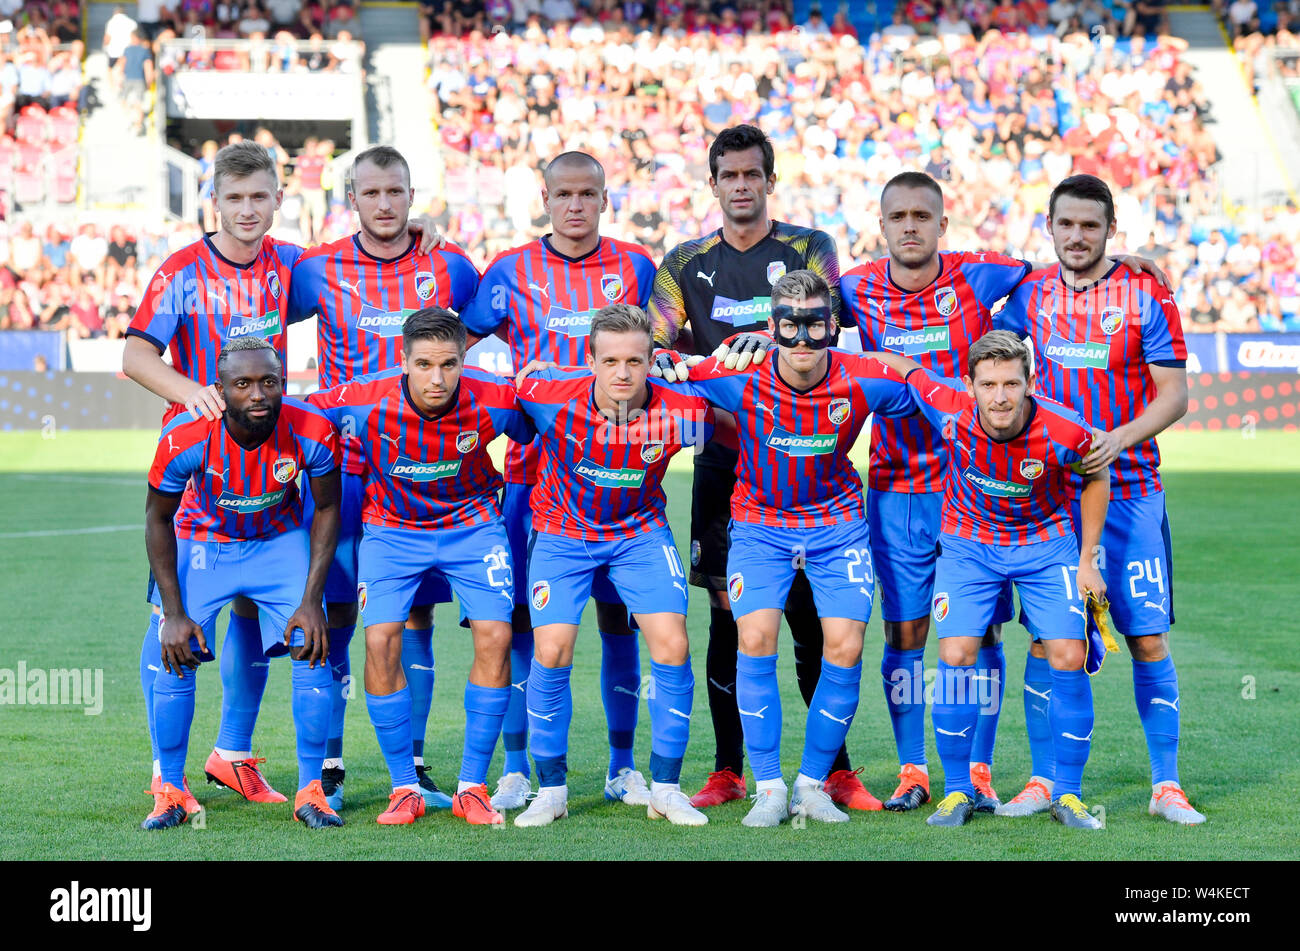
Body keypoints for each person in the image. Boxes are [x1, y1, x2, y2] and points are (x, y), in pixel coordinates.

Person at [648, 124, 879, 812]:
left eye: (754, 175)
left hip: (807, 463)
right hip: (728, 464)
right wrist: (715, 364)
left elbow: (828, 318)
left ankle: (833, 771)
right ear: (714, 184)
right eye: (730, 176)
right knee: (730, 616)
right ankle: (729, 768)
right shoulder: (686, 261)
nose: (742, 186)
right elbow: (657, 343)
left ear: (770, 182)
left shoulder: (810, 248)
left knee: (816, 617)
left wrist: (769, 337)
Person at [667, 271, 918, 826]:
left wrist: (918, 369)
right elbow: (664, 380)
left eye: (814, 326)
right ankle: (769, 788)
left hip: (838, 527)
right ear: (772, 327)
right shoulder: (737, 374)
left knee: (845, 647)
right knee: (753, 637)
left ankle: (810, 785)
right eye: (790, 326)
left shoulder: (863, 377)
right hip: (760, 526)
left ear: (832, 326)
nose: (802, 340)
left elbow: (927, 394)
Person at [997, 174, 1203, 824]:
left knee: (1146, 637)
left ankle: (1166, 784)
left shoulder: (1147, 292)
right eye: (1067, 224)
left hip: (1133, 493)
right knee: (1046, 641)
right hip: (1054, 500)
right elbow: (984, 357)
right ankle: (1043, 780)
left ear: (1111, 229)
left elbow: (1175, 394)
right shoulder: (1027, 294)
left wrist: (1117, 439)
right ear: (1049, 227)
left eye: (1091, 225)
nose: (1078, 236)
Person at [458, 151, 658, 812]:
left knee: (619, 621)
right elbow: (454, 341)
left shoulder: (634, 265)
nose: (575, 206)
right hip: (531, 478)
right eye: (563, 194)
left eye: (587, 194)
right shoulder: (510, 270)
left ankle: (624, 766)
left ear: (606, 197)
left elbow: (661, 348)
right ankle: (519, 765)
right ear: (544, 196)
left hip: (618, 479)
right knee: (523, 623)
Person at [287, 145, 480, 812]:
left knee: (416, 610)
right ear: (352, 200)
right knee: (338, 610)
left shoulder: (449, 264)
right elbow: (255, 313)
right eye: (371, 193)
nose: (386, 204)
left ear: (410, 192)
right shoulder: (314, 270)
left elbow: (475, 335)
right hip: (345, 466)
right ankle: (331, 761)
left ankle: (416, 758)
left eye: (396, 190)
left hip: (418, 468)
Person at [125, 140, 305, 807]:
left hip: (271, 467)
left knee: (256, 614)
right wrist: (188, 389)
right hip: (199, 473)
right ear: (214, 203)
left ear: (278, 199)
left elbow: (359, 275)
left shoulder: (292, 264)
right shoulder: (181, 271)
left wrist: (414, 237)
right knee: (171, 621)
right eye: (234, 198)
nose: (248, 210)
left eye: (260, 196)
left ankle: (232, 753)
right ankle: (162, 773)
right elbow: (135, 353)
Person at [309, 308, 532, 825]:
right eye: (425, 364)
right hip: (391, 531)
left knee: (496, 637)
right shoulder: (362, 398)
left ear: (463, 360)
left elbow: (554, 415)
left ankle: (472, 786)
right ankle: (403, 787)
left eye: (450, 364)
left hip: (474, 528)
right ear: (403, 361)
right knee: (380, 638)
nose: (437, 378)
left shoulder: (496, 396)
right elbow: (290, 413)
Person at [508, 303, 718, 828]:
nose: (622, 373)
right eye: (609, 361)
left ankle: (666, 789)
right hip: (561, 535)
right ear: (591, 361)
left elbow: (733, 393)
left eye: (634, 361)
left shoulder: (686, 412)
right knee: (552, 652)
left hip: (638, 535)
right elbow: (499, 391)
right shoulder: (546, 395)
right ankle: (551, 790)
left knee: (672, 644)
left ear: (653, 360)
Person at [901, 330, 1110, 829]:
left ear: (1029, 383)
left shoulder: (1064, 429)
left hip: (1046, 545)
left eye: (1011, 384)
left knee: (1068, 655)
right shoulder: (948, 406)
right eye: (989, 384)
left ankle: (1069, 794)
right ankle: (957, 791)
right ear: (970, 384)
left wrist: (1088, 558)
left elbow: (1096, 475)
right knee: (954, 655)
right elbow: (900, 367)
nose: (1000, 397)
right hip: (969, 543)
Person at [141, 337, 343, 830]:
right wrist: (172, 612)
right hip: (204, 540)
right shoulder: (184, 436)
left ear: (283, 383)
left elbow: (329, 508)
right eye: (243, 383)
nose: (258, 393)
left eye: (269, 381)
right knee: (170, 655)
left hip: (277, 541)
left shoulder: (314, 430)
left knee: (312, 646)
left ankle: (312, 791)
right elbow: (156, 520)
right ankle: (169, 788)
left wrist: (313, 600)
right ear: (221, 389)